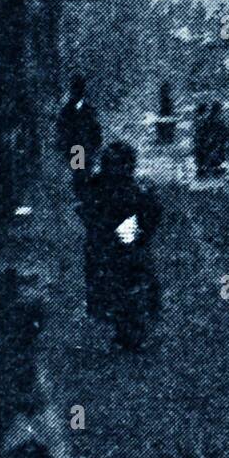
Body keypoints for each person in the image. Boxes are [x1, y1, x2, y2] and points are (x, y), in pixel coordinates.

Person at [77, 140, 162, 349]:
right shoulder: (125, 189)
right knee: (123, 288)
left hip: (114, 247)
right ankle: (128, 330)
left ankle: (128, 331)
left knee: (123, 288)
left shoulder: (107, 187)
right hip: (115, 247)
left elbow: (150, 215)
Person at [56, 74, 103, 200]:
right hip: (76, 146)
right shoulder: (68, 110)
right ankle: (82, 196)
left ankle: (84, 195)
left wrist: (96, 143)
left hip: (86, 146)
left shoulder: (86, 109)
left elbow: (95, 128)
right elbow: (62, 129)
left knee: (84, 171)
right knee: (80, 172)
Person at [156, 80, 176, 144]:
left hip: (167, 117)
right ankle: (165, 138)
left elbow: (169, 110)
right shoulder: (163, 100)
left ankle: (167, 138)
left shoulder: (167, 100)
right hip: (164, 118)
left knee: (166, 125)